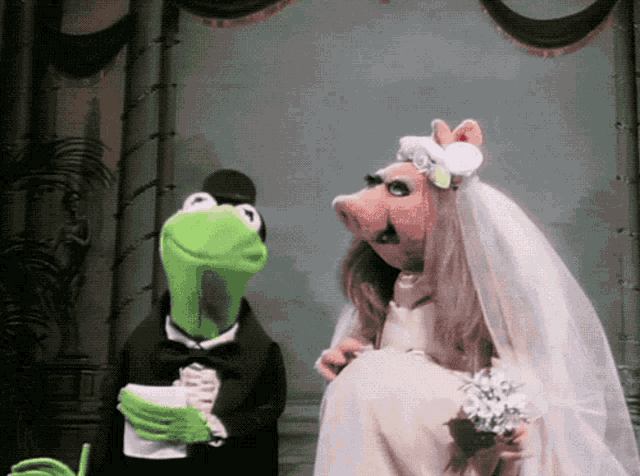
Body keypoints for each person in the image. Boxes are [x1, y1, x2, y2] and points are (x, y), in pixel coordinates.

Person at [314, 119, 640, 475]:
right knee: (360, 383)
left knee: (367, 381)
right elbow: (379, 344)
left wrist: (508, 414)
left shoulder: (486, 289)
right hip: (400, 418)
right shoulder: (388, 286)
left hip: (461, 423)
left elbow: (523, 365)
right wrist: (354, 353)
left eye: (398, 190)